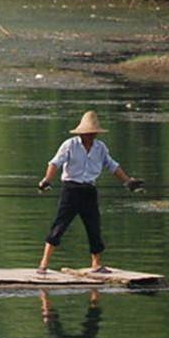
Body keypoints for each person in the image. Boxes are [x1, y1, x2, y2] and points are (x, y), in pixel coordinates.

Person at [35, 111, 144, 275]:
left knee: (94, 227)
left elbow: (112, 166)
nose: (92, 135)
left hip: (89, 190)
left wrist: (128, 182)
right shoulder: (70, 145)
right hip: (71, 189)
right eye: (89, 133)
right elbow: (54, 163)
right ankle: (44, 263)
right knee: (60, 226)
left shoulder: (100, 148)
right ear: (82, 133)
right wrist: (47, 180)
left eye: (94, 133)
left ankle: (96, 264)